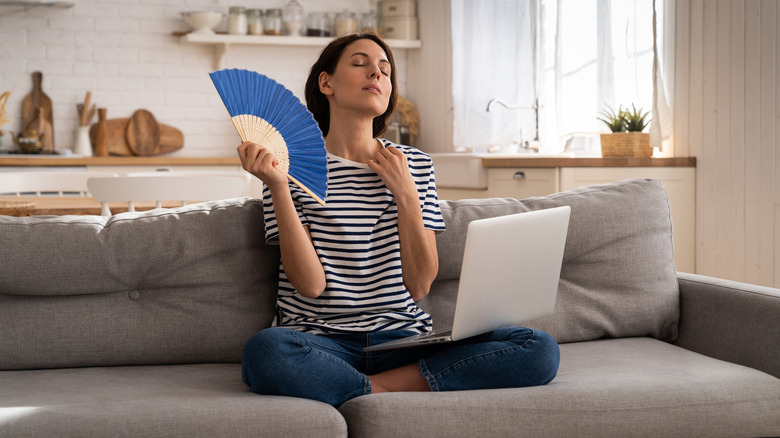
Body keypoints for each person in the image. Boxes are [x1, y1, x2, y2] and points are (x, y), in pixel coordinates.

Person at [238, 32, 559, 407]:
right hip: (321, 341)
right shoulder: (287, 169)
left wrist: (406, 193)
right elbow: (310, 285)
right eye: (360, 64)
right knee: (266, 352)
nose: (375, 73)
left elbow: (420, 284)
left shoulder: (415, 165)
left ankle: (366, 389)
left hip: (402, 341)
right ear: (326, 82)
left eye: (385, 70)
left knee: (538, 349)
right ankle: (391, 389)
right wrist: (277, 187)